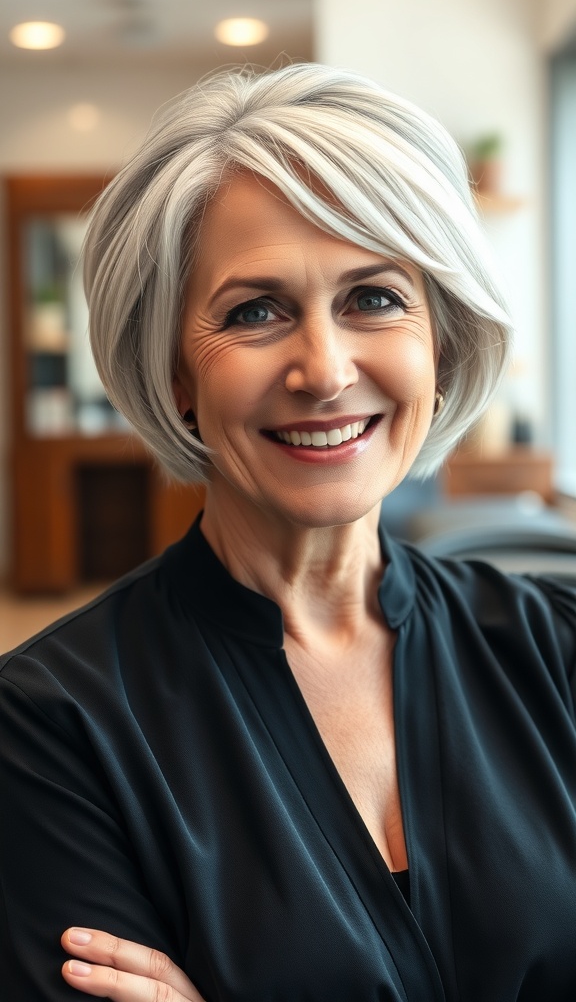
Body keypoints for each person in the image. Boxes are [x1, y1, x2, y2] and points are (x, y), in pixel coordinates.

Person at [1, 63, 575, 1002]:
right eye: (255, 312)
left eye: (374, 298)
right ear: (176, 374)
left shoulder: (557, 648)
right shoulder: (53, 726)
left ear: (439, 341)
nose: (325, 370)